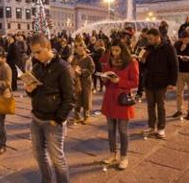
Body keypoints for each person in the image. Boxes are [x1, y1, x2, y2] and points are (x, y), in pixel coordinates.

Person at [25, 34, 74, 183]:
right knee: (39, 154)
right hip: (36, 117)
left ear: (48, 47)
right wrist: (29, 90)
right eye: (33, 53)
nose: (35, 56)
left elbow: (70, 98)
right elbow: (36, 93)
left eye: (38, 52)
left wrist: (58, 119)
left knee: (57, 158)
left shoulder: (63, 68)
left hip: (53, 120)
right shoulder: (37, 67)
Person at [101, 40, 139, 170]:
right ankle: (112, 154)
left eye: (117, 51)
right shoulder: (109, 62)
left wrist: (119, 81)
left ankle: (124, 157)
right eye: (112, 50)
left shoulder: (131, 63)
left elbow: (135, 82)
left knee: (123, 130)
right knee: (111, 129)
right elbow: (106, 80)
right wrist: (104, 79)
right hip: (110, 99)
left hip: (122, 99)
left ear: (123, 50)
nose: (114, 53)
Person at [143, 29, 178, 139]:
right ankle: (151, 126)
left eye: (151, 38)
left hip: (161, 82)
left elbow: (174, 65)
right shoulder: (148, 49)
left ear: (158, 37)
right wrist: (141, 61)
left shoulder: (168, 48)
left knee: (160, 106)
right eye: (148, 39)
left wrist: (172, 82)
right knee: (150, 106)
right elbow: (144, 66)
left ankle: (161, 128)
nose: (149, 41)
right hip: (149, 81)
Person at [71, 42, 95, 124]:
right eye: (78, 50)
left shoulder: (89, 58)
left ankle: (86, 116)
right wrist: (73, 69)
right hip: (77, 82)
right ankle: (77, 116)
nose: (80, 51)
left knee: (86, 99)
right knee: (77, 99)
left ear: (85, 50)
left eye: (81, 50)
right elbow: (71, 66)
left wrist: (82, 72)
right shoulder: (75, 58)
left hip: (85, 82)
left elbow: (92, 69)